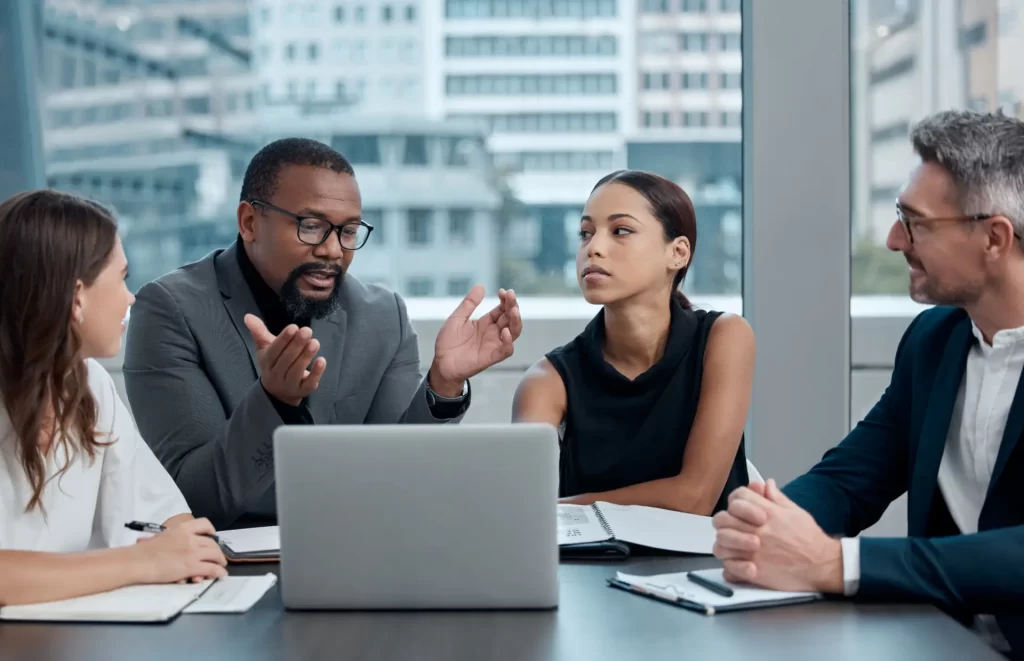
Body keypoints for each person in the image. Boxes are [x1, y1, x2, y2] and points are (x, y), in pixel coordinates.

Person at [712, 110, 1024, 658]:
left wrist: (835, 563)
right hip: (942, 643)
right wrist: (766, 519)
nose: (891, 239)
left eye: (915, 222)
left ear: (995, 238)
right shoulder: (935, 340)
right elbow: (851, 479)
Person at [124, 138, 522, 529]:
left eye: (348, 232)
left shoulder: (384, 317)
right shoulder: (169, 310)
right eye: (311, 226)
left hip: (360, 557)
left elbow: (404, 476)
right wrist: (274, 402)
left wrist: (445, 384)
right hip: (226, 569)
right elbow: (195, 500)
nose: (333, 250)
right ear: (249, 222)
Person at [0, 190, 227, 606]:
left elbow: (167, 520)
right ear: (76, 297)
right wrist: (142, 564)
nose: (131, 297)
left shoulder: (88, 384)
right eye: (122, 278)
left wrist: (187, 553)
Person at [512, 170, 754, 514]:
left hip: (703, 565)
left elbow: (696, 496)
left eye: (620, 230)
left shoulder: (724, 337)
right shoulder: (548, 380)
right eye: (585, 233)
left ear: (678, 253)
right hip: (588, 567)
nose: (593, 248)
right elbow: (524, 508)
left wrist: (562, 508)